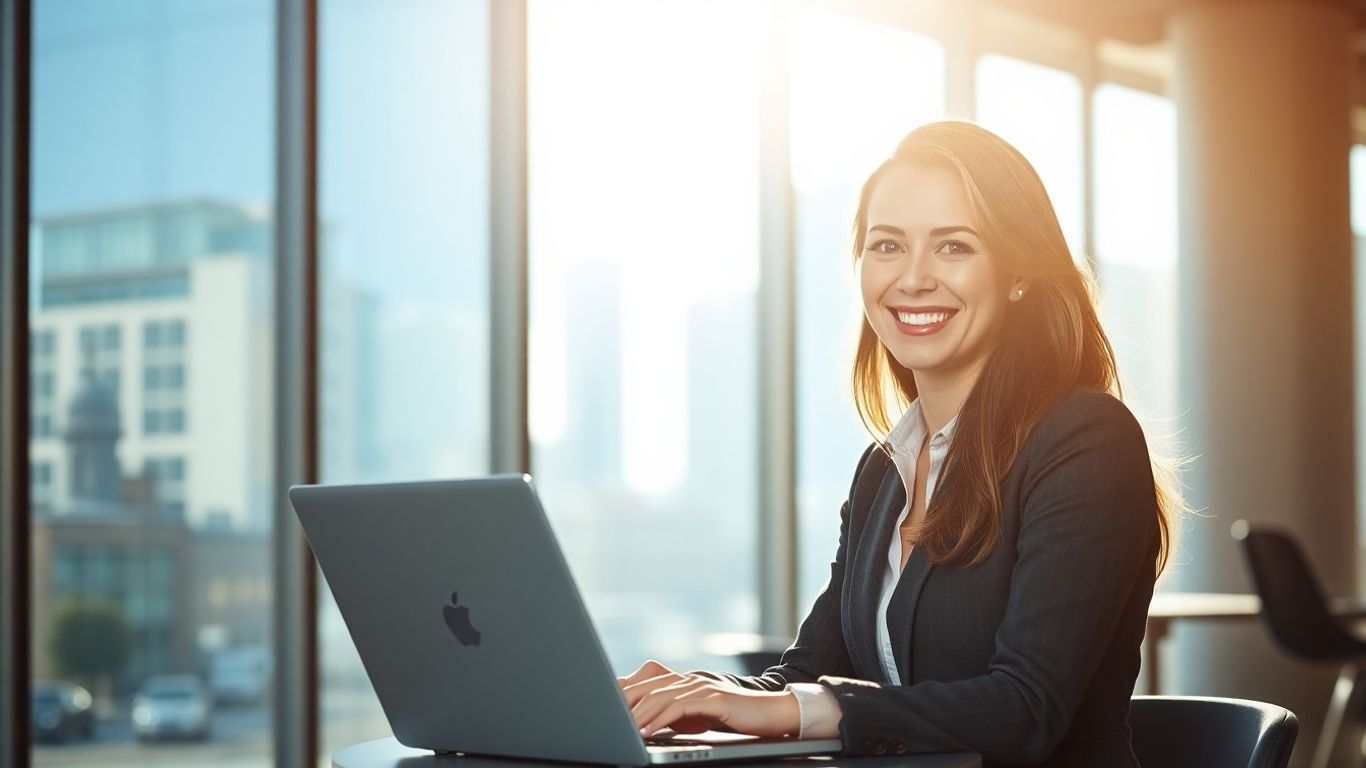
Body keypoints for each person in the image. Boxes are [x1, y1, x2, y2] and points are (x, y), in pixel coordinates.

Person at [617, 120, 1180, 767]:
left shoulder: (1085, 442)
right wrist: (700, 693)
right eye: (887, 245)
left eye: (953, 247)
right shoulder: (884, 472)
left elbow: (1026, 708)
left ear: (1018, 271)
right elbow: (807, 676)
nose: (913, 278)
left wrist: (796, 707)